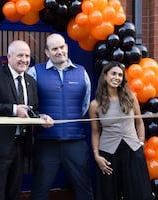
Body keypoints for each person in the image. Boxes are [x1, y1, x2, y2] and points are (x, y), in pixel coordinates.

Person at [0, 40, 53, 200]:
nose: (24, 60)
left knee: (14, 193)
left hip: (20, 147)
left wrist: (40, 118)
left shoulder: (31, 81)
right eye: (20, 55)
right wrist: (13, 110)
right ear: (9, 57)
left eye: (27, 56)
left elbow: (31, 110)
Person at [27, 33, 94, 200]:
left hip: (75, 142)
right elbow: (28, 104)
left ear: (67, 47)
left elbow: (84, 106)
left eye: (62, 47)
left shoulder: (82, 73)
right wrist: (38, 117)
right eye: (54, 48)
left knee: (84, 188)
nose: (59, 51)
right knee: (40, 190)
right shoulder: (35, 72)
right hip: (46, 143)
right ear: (47, 52)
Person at [89, 61, 152, 200]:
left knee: (138, 193)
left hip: (132, 151)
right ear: (105, 76)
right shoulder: (95, 105)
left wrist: (140, 144)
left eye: (120, 75)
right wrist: (96, 156)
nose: (116, 77)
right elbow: (95, 132)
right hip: (108, 154)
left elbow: (139, 123)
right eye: (113, 74)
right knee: (109, 194)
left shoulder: (131, 97)